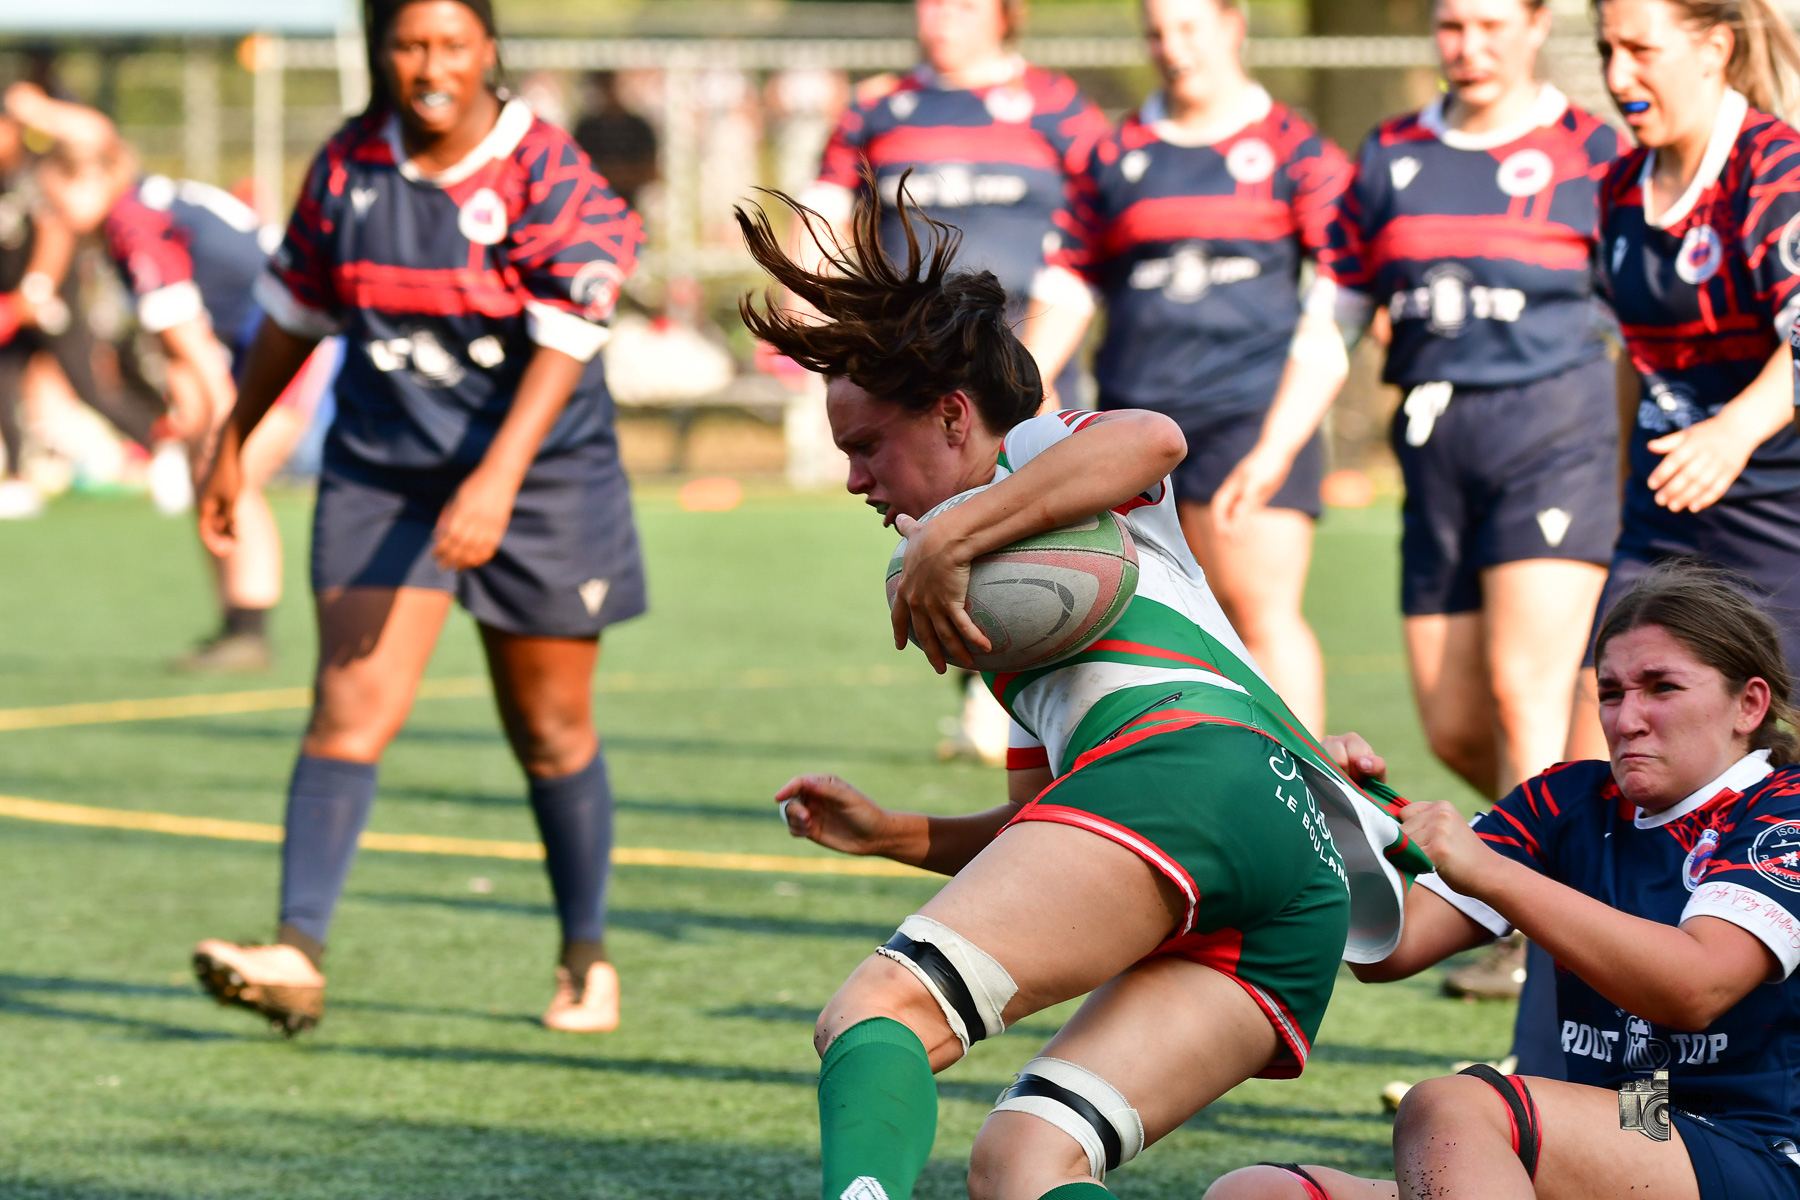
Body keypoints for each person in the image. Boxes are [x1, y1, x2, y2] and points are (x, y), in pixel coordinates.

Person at [739, 184, 1428, 1200]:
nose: (857, 481)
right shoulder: (1011, 619)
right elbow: (1043, 827)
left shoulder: (1029, 455)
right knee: (1023, 1163)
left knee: (876, 1014)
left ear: (953, 413)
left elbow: (1152, 438)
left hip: (1189, 774)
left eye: (866, 446)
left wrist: (951, 532)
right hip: (1290, 875)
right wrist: (892, 833)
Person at [186, 0, 647, 1036]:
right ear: (379, 49)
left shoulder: (545, 169)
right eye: (407, 44)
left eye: (451, 44)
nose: (428, 66)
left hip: (542, 479)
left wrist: (493, 482)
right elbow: (295, 313)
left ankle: (584, 958)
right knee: (348, 708)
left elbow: (571, 338)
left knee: (549, 727)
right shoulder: (349, 167)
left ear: (488, 48)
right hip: (381, 472)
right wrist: (232, 440)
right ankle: (295, 954)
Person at [1205, 564, 1800, 1200]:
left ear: (1749, 704)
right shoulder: (1566, 799)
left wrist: (1492, 873)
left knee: (1453, 1107)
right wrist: (1332, 813)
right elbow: (1393, 946)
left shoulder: (1783, 810)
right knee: (1260, 1192)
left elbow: (1693, 987)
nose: (1628, 719)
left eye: (1662, 688)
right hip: (1637, 1127)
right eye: (1611, 693)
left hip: (1760, 1148)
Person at [1228, 0, 1625, 805]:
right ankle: (1576, 852)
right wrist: (1272, 450)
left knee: (1525, 689)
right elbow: (1334, 314)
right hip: (1435, 449)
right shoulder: (1391, 151)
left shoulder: (1595, 152)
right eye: (1453, 27)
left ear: (1538, 24)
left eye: (1491, 25)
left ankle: (1535, 919)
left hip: (1555, 434)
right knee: (1453, 724)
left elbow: (1644, 317)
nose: (1470, 47)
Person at [1022, 0, 1352, 735]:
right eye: (1157, 31)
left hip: (1248, 411)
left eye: (1190, 28)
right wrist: (1022, 384)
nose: (1174, 48)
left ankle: (1312, 802)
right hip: (1134, 420)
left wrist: (1278, 446)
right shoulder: (1114, 155)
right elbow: (1068, 285)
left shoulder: (1295, 150)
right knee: (1152, 624)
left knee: (1259, 610)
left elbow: (1343, 295)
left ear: (1234, 26)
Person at [797, 0, 1111, 766]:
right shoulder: (878, 107)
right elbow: (823, 219)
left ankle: (1029, 694)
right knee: (934, 520)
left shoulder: (1061, 108)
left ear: (1009, 13)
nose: (942, 14)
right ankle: (987, 680)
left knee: (1030, 521)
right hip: (916, 385)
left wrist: (1027, 367)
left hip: (1026, 364)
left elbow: (1095, 238)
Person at [6, 82, 338, 671]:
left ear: (90, 180)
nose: (51, 215)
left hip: (285, 337)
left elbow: (192, 346)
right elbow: (185, 348)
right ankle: (238, 624)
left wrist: (220, 425)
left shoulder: (133, 224)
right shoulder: (133, 204)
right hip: (253, 341)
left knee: (231, 472)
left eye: (56, 200)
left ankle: (251, 632)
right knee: (207, 466)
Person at [1577, 0, 1800, 732]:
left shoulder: (1773, 168)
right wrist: (1621, 496)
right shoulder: (1618, 189)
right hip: (1660, 527)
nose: (1618, 74)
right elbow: (1631, 361)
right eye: (1608, 49)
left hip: (1780, 521)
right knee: (1599, 749)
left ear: (1713, 49)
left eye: (1641, 49)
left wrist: (1732, 431)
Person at [0, 100, 163, 519]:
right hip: (11, 306)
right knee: (3, 383)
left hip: (51, 302)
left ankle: (164, 452)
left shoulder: (35, 168)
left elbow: (55, 233)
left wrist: (34, 292)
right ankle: (17, 478)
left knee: (90, 387)